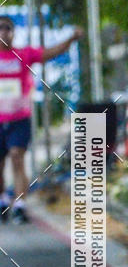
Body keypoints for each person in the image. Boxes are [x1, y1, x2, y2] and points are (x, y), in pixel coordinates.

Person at [0, 16, 82, 223]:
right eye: (0, 28)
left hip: (19, 118)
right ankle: (3, 200)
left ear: (13, 33)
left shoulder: (23, 55)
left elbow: (51, 52)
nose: (4, 32)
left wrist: (71, 39)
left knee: (17, 157)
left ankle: (20, 205)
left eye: (8, 28)